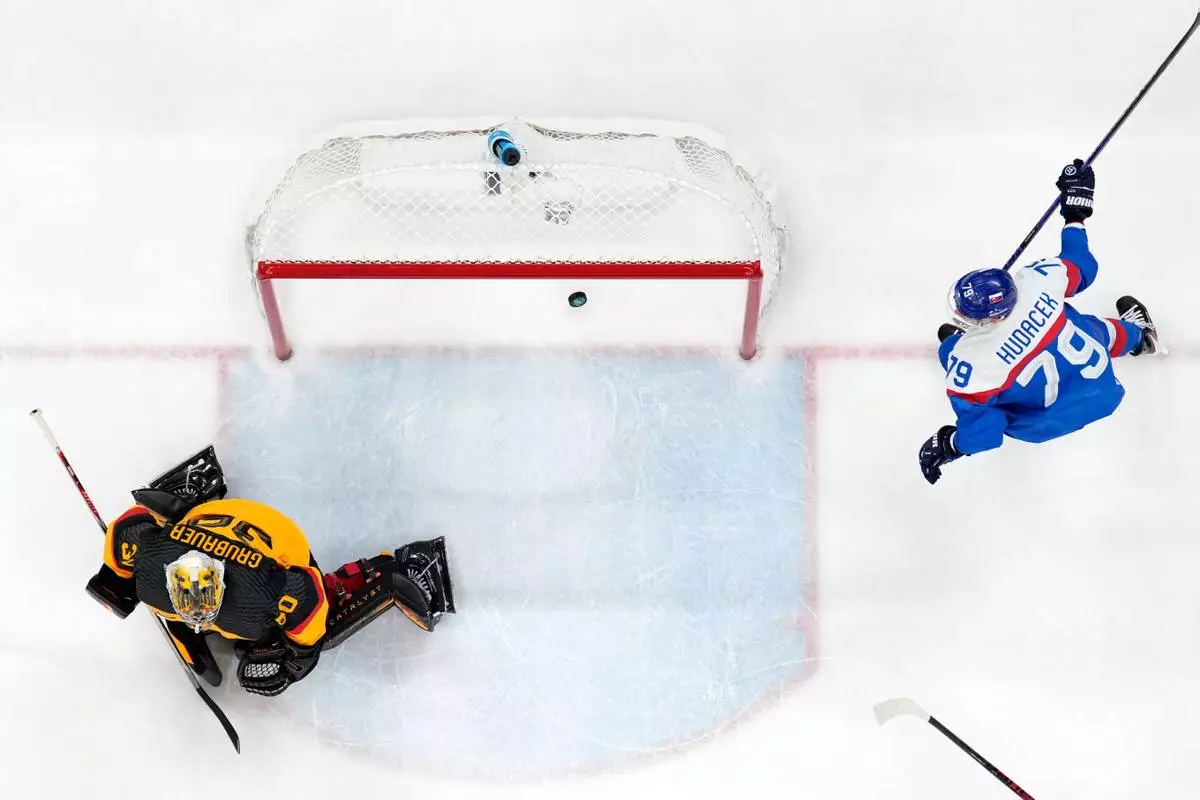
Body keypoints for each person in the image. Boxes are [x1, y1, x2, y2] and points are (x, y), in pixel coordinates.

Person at [84, 446, 456, 695]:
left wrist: (298, 656)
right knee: (254, 632)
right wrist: (113, 578)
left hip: (279, 535)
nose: (198, 614)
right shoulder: (151, 562)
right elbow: (129, 526)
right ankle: (190, 492)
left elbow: (309, 593)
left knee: (310, 627)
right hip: (219, 525)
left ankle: (394, 574)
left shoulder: (260, 591)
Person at [918, 159, 1160, 485]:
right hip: (1102, 390)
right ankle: (1141, 337)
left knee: (953, 351)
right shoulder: (1037, 279)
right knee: (1086, 329)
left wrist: (949, 444)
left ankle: (958, 344)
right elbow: (1082, 266)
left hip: (1044, 425)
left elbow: (986, 433)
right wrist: (1075, 214)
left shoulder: (969, 365)